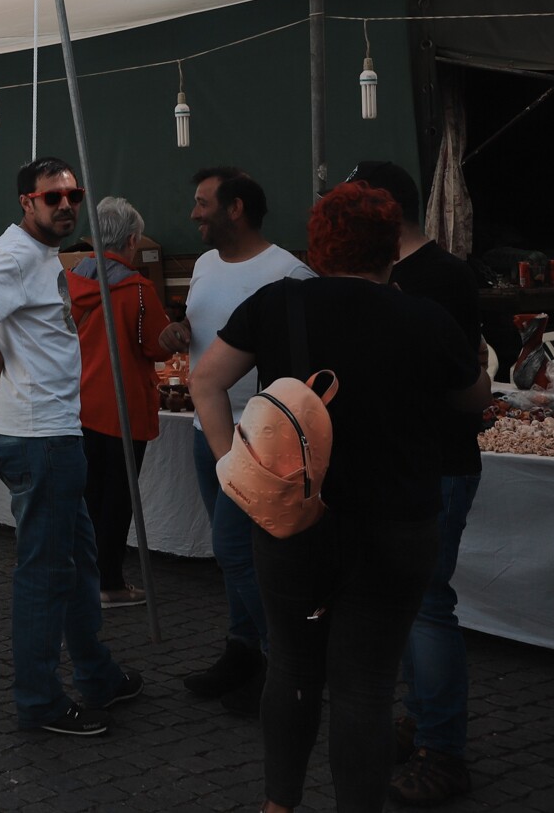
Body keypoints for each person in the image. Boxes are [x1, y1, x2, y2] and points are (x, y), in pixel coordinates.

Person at [191, 182, 487, 813]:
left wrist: (229, 468)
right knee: (367, 685)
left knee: (295, 667)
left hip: (296, 518)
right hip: (399, 521)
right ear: (391, 250)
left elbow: (206, 380)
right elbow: (473, 399)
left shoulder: (279, 304)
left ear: (318, 245)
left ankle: (280, 805)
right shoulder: (423, 316)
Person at [0, 156, 140, 737]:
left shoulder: (39, 255)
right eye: (51, 197)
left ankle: (98, 674)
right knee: (46, 574)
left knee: (77, 563)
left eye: (73, 195)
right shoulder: (17, 254)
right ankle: (39, 700)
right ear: (26, 203)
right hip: (39, 438)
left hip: (48, 433)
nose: (65, 205)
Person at [346, 162, 483, 807]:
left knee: (427, 606)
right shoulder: (384, 274)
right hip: (398, 465)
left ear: (383, 207)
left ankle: (442, 749)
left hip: (436, 465)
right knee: (404, 605)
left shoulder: (441, 279)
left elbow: (463, 386)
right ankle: (423, 719)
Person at [157, 167, 314, 714]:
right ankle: (244, 652)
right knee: (235, 557)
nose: (194, 214)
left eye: (202, 204)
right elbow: (203, 334)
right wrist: (175, 333)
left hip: (261, 441)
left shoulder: (290, 273)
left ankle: (289, 662)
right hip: (208, 432)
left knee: (237, 552)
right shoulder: (202, 265)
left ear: (236, 208)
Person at [66, 196, 169, 608]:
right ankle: (108, 582)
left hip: (80, 405)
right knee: (117, 500)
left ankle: (87, 577)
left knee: (90, 498)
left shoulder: (71, 281)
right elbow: (156, 347)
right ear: (129, 240)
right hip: (122, 407)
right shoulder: (138, 290)